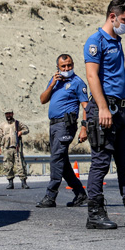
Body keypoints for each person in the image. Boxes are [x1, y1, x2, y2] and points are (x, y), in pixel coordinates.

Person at [82, 0, 125, 229]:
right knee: (101, 163)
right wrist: (102, 107)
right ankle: (95, 214)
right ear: (112, 17)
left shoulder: (117, 40)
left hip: (121, 109)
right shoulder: (95, 41)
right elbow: (91, 76)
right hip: (104, 109)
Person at [36, 54, 90, 208]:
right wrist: (52, 84)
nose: (67, 68)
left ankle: (50, 196)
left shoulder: (77, 82)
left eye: (69, 65)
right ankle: (80, 194)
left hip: (66, 125)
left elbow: (86, 106)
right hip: (53, 125)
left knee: (56, 159)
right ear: (58, 68)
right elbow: (42, 100)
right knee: (62, 162)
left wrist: (84, 128)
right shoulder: (56, 81)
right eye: (63, 66)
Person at [0, 110, 29, 190]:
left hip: (17, 148)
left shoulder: (17, 123)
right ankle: (10, 183)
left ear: (12, 114)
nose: (8, 115)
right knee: (8, 166)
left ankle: (23, 182)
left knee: (20, 165)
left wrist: (21, 132)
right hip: (7, 148)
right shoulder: (3, 125)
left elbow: (27, 129)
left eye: (10, 114)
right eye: (7, 114)